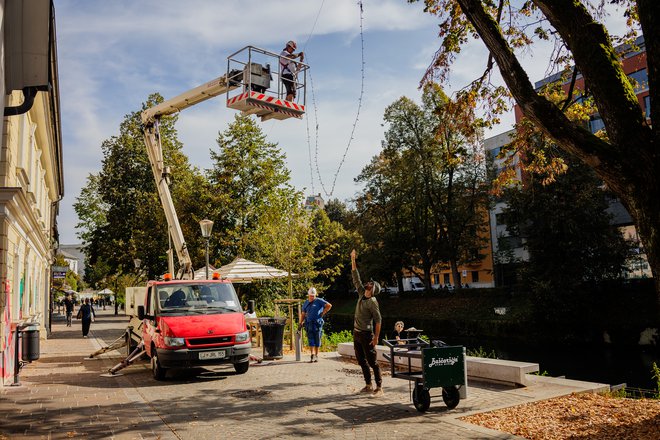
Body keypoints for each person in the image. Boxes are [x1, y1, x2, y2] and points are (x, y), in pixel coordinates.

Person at [350, 249, 384, 396]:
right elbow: (355, 277)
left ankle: (379, 387)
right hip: (356, 333)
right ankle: (368, 385)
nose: (367, 283)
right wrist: (353, 259)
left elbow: (378, 320)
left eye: (370, 283)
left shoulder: (372, 302)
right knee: (361, 361)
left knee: (372, 362)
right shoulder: (361, 293)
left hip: (366, 335)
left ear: (373, 288)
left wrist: (376, 337)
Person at [299, 287, 332, 363]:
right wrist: (300, 323)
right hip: (309, 323)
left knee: (317, 339)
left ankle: (316, 355)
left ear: (315, 295)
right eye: (311, 296)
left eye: (313, 296)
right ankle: (312, 355)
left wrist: (323, 312)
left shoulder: (319, 301)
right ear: (308, 295)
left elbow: (329, 305)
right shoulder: (306, 303)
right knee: (311, 339)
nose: (312, 297)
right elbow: (303, 313)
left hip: (317, 323)